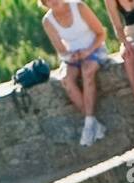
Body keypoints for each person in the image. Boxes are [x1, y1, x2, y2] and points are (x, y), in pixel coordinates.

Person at [40, 0, 111, 146]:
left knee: (87, 72)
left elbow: (101, 33)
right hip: (73, 55)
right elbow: (60, 49)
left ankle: (88, 125)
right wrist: (71, 55)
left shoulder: (79, 6)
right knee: (66, 79)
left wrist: (88, 51)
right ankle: (91, 121)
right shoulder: (48, 21)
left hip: (94, 49)